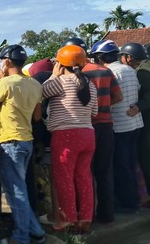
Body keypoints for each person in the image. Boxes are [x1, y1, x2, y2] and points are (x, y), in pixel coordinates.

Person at [0, 45, 46, 244]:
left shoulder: (5, 83)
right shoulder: (34, 84)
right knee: (18, 190)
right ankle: (36, 232)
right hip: (26, 140)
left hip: (10, 141)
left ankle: (21, 237)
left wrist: (2, 76)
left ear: (7, 62)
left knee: (15, 192)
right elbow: (37, 117)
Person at [42, 45, 98, 232]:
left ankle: (68, 219)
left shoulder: (59, 82)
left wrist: (53, 75)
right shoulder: (90, 84)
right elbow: (95, 112)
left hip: (66, 135)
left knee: (64, 178)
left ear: (60, 63)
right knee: (84, 177)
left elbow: (41, 92)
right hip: (88, 134)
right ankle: (85, 219)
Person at [92, 40, 144, 213]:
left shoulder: (109, 72)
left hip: (120, 125)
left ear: (99, 57)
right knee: (130, 163)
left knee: (121, 166)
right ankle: (135, 200)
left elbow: (113, 98)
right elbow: (135, 90)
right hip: (135, 123)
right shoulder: (129, 70)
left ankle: (128, 204)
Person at [83, 41, 123, 224]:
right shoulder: (107, 72)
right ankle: (107, 215)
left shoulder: (81, 74)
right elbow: (118, 97)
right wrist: (103, 106)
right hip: (106, 127)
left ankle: (87, 215)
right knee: (104, 172)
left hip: (87, 127)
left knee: (86, 172)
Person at [119, 43, 150, 198]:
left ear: (129, 57)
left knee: (145, 158)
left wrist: (139, 106)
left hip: (146, 122)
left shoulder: (141, 73)